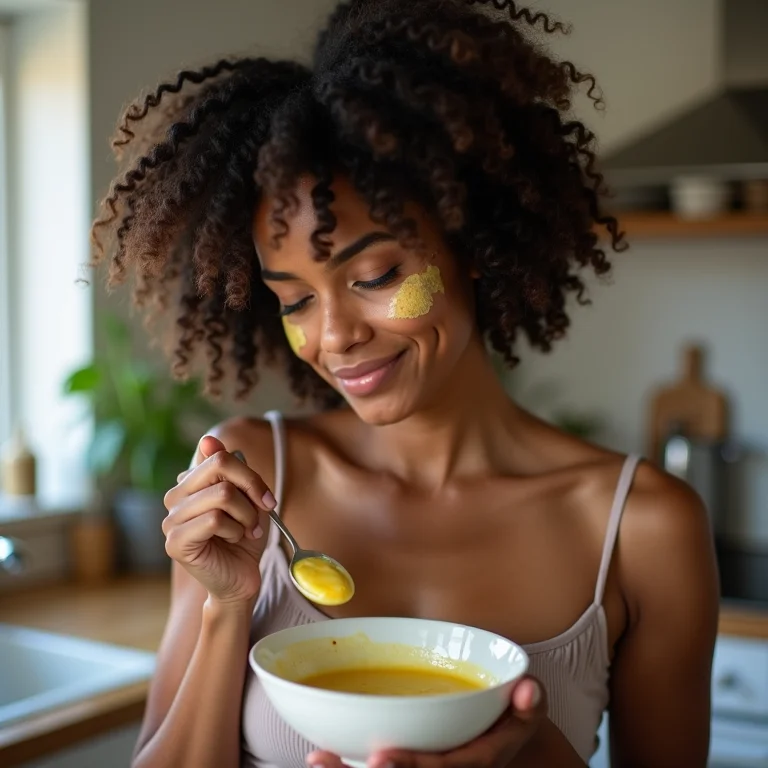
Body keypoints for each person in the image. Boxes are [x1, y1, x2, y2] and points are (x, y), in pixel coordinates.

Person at [90, 1, 720, 766]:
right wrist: (228, 603)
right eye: (294, 298)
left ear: (472, 241)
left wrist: (524, 752)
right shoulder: (249, 477)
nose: (334, 335)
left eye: (377, 274)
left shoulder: (642, 530)